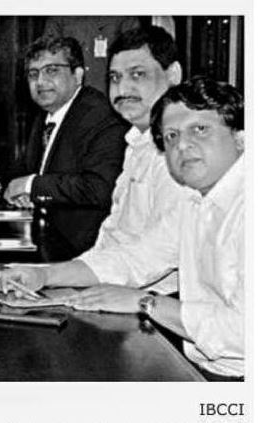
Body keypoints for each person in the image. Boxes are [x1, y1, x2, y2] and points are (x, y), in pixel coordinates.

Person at [0, 77, 244, 379]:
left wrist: (146, 303)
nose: (183, 145)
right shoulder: (194, 200)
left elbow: (244, 331)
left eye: (200, 129)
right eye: (171, 136)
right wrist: (43, 275)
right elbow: (135, 258)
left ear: (242, 137)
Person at [77, 26, 190, 294]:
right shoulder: (137, 142)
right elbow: (113, 235)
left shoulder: (184, 151)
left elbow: (155, 254)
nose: (123, 88)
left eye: (138, 74)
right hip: (116, 289)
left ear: (173, 75)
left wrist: (53, 275)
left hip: (161, 304)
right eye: (115, 78)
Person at [3, 36, 129, 260]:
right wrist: (23, 192)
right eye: (33, 74)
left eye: (52, 70)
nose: (40, 81)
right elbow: (18, 173)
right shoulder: (46, 115)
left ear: (77, 75)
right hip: (45, 240)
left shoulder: (100, 116)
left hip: (85, 252)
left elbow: (99, 188)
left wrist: (32, 186)